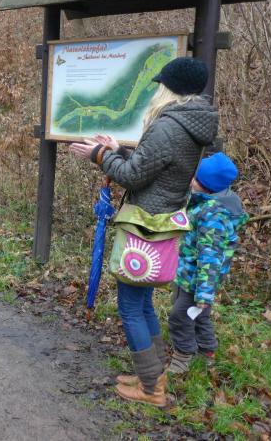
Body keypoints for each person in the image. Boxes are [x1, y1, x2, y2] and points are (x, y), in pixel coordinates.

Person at [70, 56, 218, 406]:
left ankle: (151, 388)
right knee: (143, 304)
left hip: (144, 227)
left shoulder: (168, 127)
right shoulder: (190, 124)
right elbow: (153, 167)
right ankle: (152, 374)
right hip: (161, 224)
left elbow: (133, 176)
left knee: (131, 307)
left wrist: (99, 156)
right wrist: (116, 150)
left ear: (170, 89)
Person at [167, 152, 247, 373]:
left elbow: (210, 257)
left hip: (199, 280)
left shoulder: (213, 215)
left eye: (196, 178)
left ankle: (182, 359)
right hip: (188, 274)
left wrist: (203, 293)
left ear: (207, 186)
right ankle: (207, 351)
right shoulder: (204, 202)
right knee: (199, 316)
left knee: (179, 317)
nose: (191, 180)